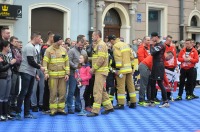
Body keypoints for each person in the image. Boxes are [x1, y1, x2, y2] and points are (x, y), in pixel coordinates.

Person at [16, 32, 45, 120]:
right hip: (26, 72)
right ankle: (18, 113)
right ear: (35, 38)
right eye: (39, 38)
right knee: (23, 92)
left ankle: (27, 113)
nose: (40, 40)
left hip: (31, 72)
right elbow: (30, 61)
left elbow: (33, 61)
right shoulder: (29, 47)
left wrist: (36, 73)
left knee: (29, 93)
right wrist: (40, 67)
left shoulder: (32, 47)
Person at [87, 30, 113, 117]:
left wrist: (93, 69)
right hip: (100, 70)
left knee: (97, 91)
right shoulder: (99, 44)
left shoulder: (101, 45)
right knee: (102, 90)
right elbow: (97, 57)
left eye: (93, 36)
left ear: (97, 36)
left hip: (100, 71)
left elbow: (101, 59)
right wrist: (88, 59)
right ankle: (109, 107)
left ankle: (95, 111)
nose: (92, 37)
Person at [43, 34, 70, 116]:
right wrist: (46, 72)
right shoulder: (48, 50)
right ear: (56, 40)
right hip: (52, 76)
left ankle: (61, 109)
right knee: (53, 93)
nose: (62, 41)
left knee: (62, 93)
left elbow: (67, 62)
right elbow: (45, 62)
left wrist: (67, 73)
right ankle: (53, 110)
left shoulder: (63, 50)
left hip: (62, 76)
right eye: (60, 40)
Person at [108, 34, 137, 109]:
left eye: (110, 42)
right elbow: (132, 56)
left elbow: (118, 57)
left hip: (122, 69)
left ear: (112, 40)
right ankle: (133, 102)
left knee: (120, 87)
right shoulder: (125, 44)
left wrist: (117, 68)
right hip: (129, 69)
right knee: (131, 86)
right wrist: (132, 66)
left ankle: (121, 104)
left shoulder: (116, 46)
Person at [67, 35, 87, 114]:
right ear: (77, 42)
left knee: (79, 91)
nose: (82, 46)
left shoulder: (84, 52)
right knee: (71, 91)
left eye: (83, 44)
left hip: (81, 75)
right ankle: (69, 107)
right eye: (81, 44)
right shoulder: (71, 51)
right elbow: (68, 61)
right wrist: (76, 66)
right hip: (73, 74)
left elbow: (85, 62)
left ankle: (78, 106)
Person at [149, 32, 169, 108]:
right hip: (155, 65)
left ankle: (165, 101)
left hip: (159, 65)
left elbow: (152, 52)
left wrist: (151, 44)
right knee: (152, 82)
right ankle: (152, 100)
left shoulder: (161, 45)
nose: (151, 39)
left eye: (152, 37)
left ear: (156, 37)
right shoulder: (157, 45)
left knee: (160, 83)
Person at [0, 41, 16, 121]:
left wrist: (12, 63)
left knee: (7, 96)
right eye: (8, 46)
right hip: (2, 78)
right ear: (4, 47)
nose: (9, 48)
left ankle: (6, 113)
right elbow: (1, 68)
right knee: (2, 96)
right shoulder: (0, 56)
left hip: (9, 77)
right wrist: (10, 63)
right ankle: (1, 114)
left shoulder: (8, 56)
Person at [41, 31, 54, 113]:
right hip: (46, 71)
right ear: (50, 37)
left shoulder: (52, 47)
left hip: (52, 71)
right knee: (46, 89)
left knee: (50, 89)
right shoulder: (45, 47)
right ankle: (45, 107)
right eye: (53, 37)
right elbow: (45, 59)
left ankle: (49, 105)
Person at [31, 39, 45, 112]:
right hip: (35, 69)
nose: (41, 42)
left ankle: (41, 103)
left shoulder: (42, 48)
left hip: (41, 68)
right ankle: (34, 105)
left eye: (42, 41)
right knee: (34, 88)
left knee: (42, 87)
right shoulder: (32, 48)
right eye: (39, 40)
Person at [9, 36, 22, 114]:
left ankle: (13, 105)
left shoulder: (17, 50)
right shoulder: (11, 50)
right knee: (12, 90)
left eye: (17, 41)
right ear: (11, 42)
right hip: (13, 71)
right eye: (15, 41)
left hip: (18, 71)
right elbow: (15, 60)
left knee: (16, 90)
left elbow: (20, 59)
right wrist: (18, 60)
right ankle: (10, 106)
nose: (17, 42)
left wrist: (18, 60)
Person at [164, 35, 177, 100]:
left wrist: (176, 65)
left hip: (172, 67)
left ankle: (168, 96)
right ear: (166, 40)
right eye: (169, 40)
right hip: (166, 66)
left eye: (171, 41)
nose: (170, 42)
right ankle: (164, 96)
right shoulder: (163, 47)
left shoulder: (173, 47)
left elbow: (174, 57)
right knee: (165, 82)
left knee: (170, 82)